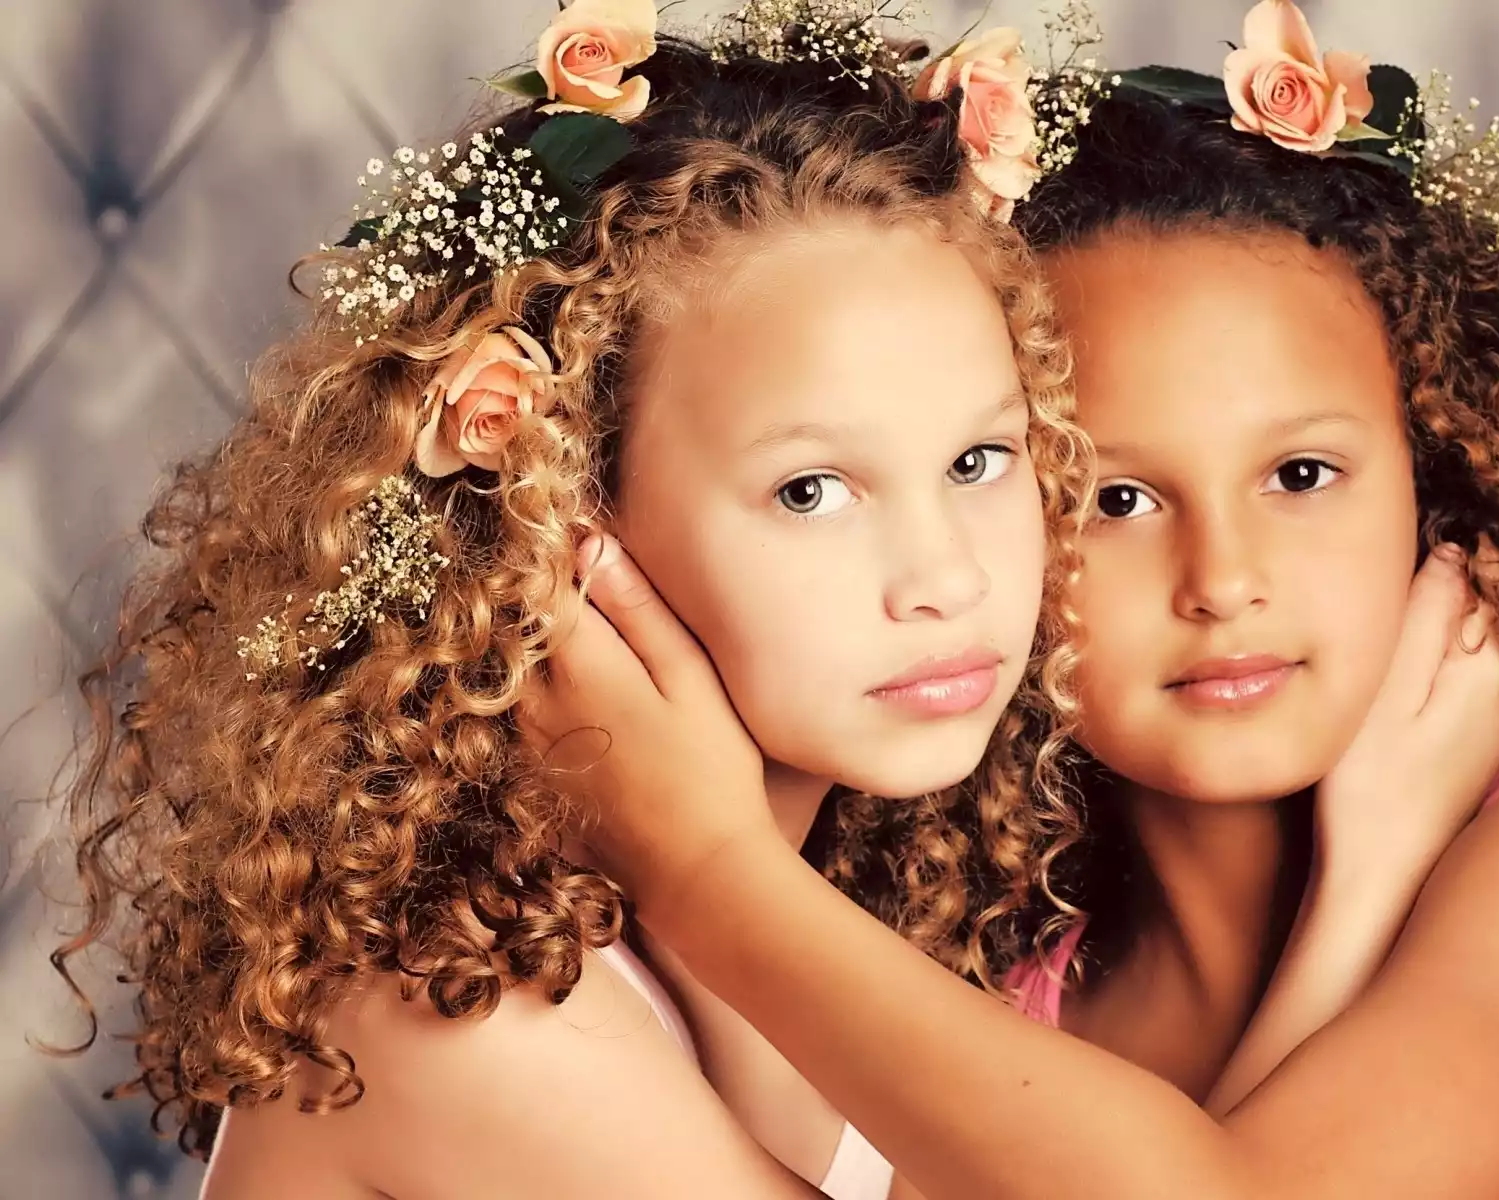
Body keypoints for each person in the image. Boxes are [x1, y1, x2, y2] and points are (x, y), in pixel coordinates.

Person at [530, 4, 1499, 1197]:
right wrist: (1352, 907)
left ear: (1438, 475)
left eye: (1303, 474)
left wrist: (706, 868)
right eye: (1116, 500)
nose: (1224, 581)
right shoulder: (998, 985)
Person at [55, 6, 1104, 1195]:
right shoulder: (468, 1013)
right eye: (812, 490)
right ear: (560, 513)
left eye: (980, 462)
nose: (950, 579)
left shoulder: (807, 921)